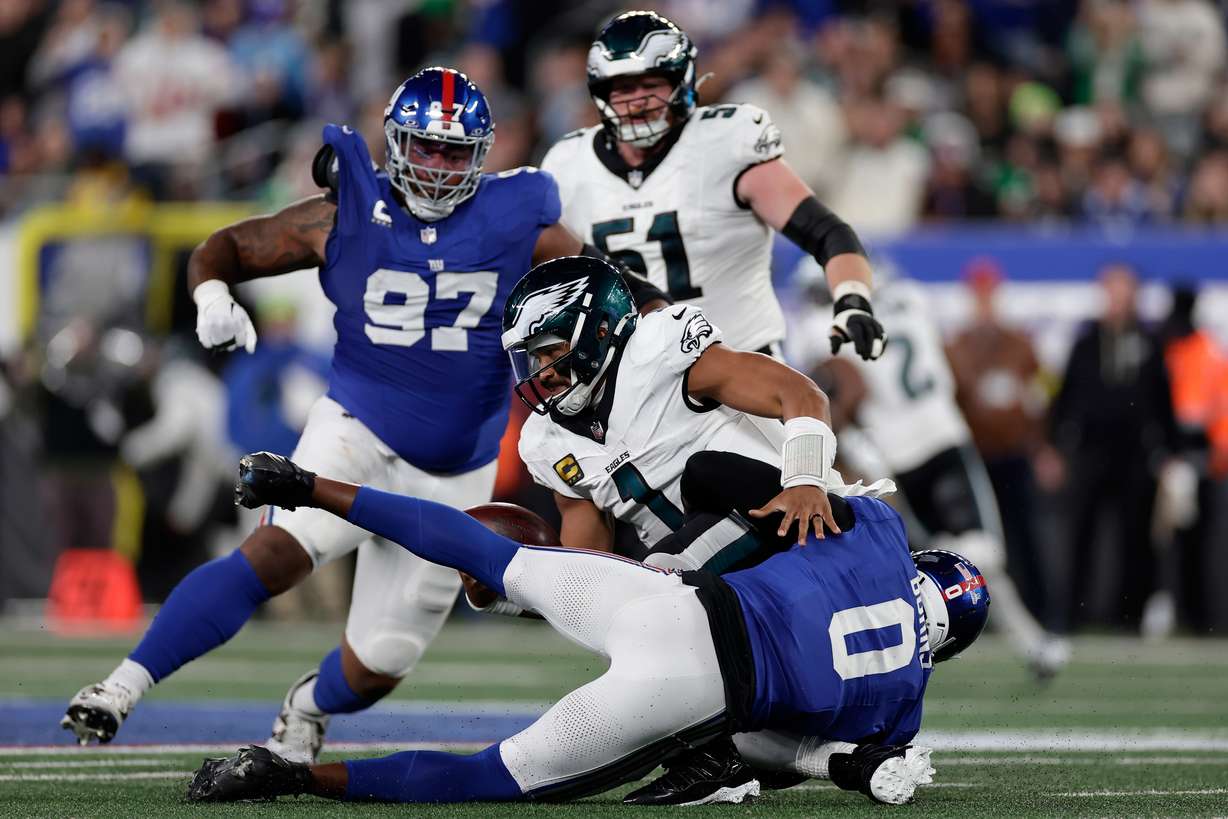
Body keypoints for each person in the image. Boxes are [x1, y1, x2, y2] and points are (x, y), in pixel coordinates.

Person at [60, 67, 665, 759]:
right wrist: (211, 294)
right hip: (356, 430)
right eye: (425, 147)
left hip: (454, 473)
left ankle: (306, 707)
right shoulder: (348, 212)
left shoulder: (518, 218)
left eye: (455, 152)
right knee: (277, 554)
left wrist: (667, 325)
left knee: (380, 662)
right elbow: (224, 247)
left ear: (482, 155)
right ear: (395, 144)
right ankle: (120, 686)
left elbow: (606, 286)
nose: (437, 167)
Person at [184, 449, 990, 806]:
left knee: (489, 552)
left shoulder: (879, 529)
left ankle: (305, 485)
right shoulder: (900, 710)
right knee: (488, 778)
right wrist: (846, 763)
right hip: (691, 692)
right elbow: (777, 748)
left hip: (672, 600)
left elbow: (750, 488)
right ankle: (289, 776)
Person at [502, 257, 893, 587]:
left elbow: (801, 394)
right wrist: (510, 590)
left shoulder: (660, 351)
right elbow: (587, 576)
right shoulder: (546, 441)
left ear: (599, 330)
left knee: (664, 568)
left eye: (552, 350)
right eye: (534, 358)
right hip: (726, 583)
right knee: (647, 593)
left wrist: (805, 480)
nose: (543, 371)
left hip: (795, 525)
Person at [541, 10, 886, 361]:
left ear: (682, 84)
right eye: (625, 88)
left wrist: (853, 298)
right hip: (630, 374)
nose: (638, 101)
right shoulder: (569, 163)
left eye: (652, 84)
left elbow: (826, 232)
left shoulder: (726, 142)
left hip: (743, 365)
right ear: (602, 92)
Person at [791, 259, 1068, 680]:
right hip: (942, 439)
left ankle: (1013, 644)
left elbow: (841, 392)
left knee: (931, 559)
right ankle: (1026, 644)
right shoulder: (912, 299)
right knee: (975, 556)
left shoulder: (822, 326)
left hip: (894, 456)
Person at [1046, 263, 1178, 631]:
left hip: (1136, 453)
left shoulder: (1150, 342)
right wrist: (1054, 446)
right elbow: (1065, 398)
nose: (1118, 298)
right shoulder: (1087, 343)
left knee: (1136, 536)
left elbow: (1164, 401)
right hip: (1092, 450)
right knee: (1081, 533)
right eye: (1112, 289)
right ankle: (1073, 613)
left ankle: (1129, 615)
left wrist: (1171, 452)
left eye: (1124, 289)